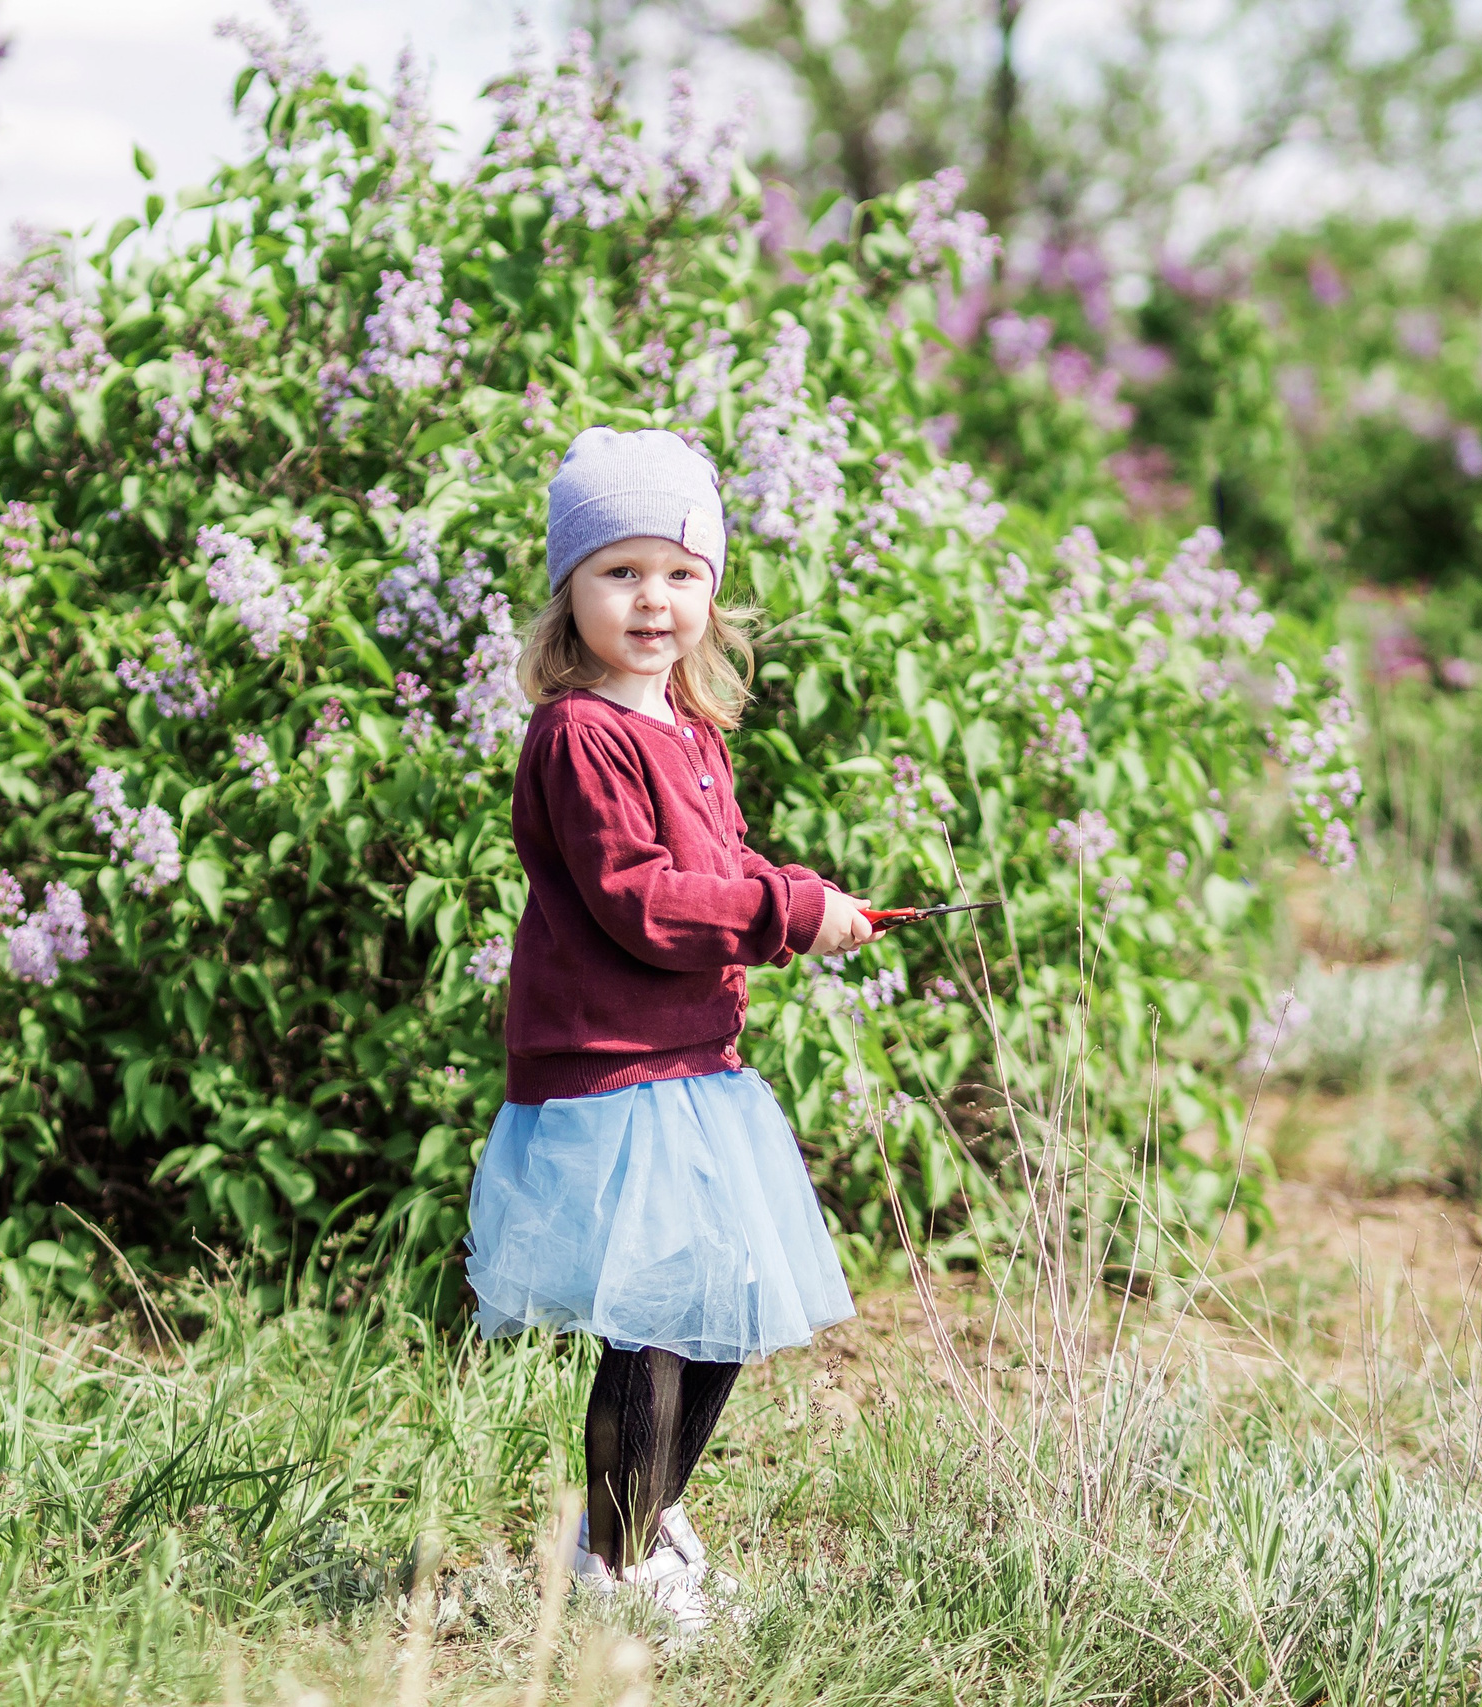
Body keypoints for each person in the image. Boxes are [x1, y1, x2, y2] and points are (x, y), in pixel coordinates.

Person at [463, 426, 871, 1636]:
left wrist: (795, 889)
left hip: (694, 1061)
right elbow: (639, 899)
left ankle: (634, 1526)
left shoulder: (690, 731)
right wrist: (785, 911)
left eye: (680, 572)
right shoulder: (580, 734)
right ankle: (619, 1569)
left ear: (712, 590)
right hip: (610, 1067)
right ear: (568, 591)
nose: (653, 599)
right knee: (649, 1324)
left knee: (723, 1306)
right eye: (619, 571)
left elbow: (717, 863)